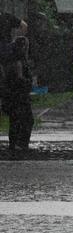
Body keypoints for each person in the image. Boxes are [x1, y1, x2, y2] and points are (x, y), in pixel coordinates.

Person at [3, 18, 34, 152]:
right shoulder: (17, 62)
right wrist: (28, 83)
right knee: (23, 119)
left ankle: (16, 144)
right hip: (18, 96)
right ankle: (20, 145)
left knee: (16, 120)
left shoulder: (13, 61)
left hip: (13, 96)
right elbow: (19, 79)